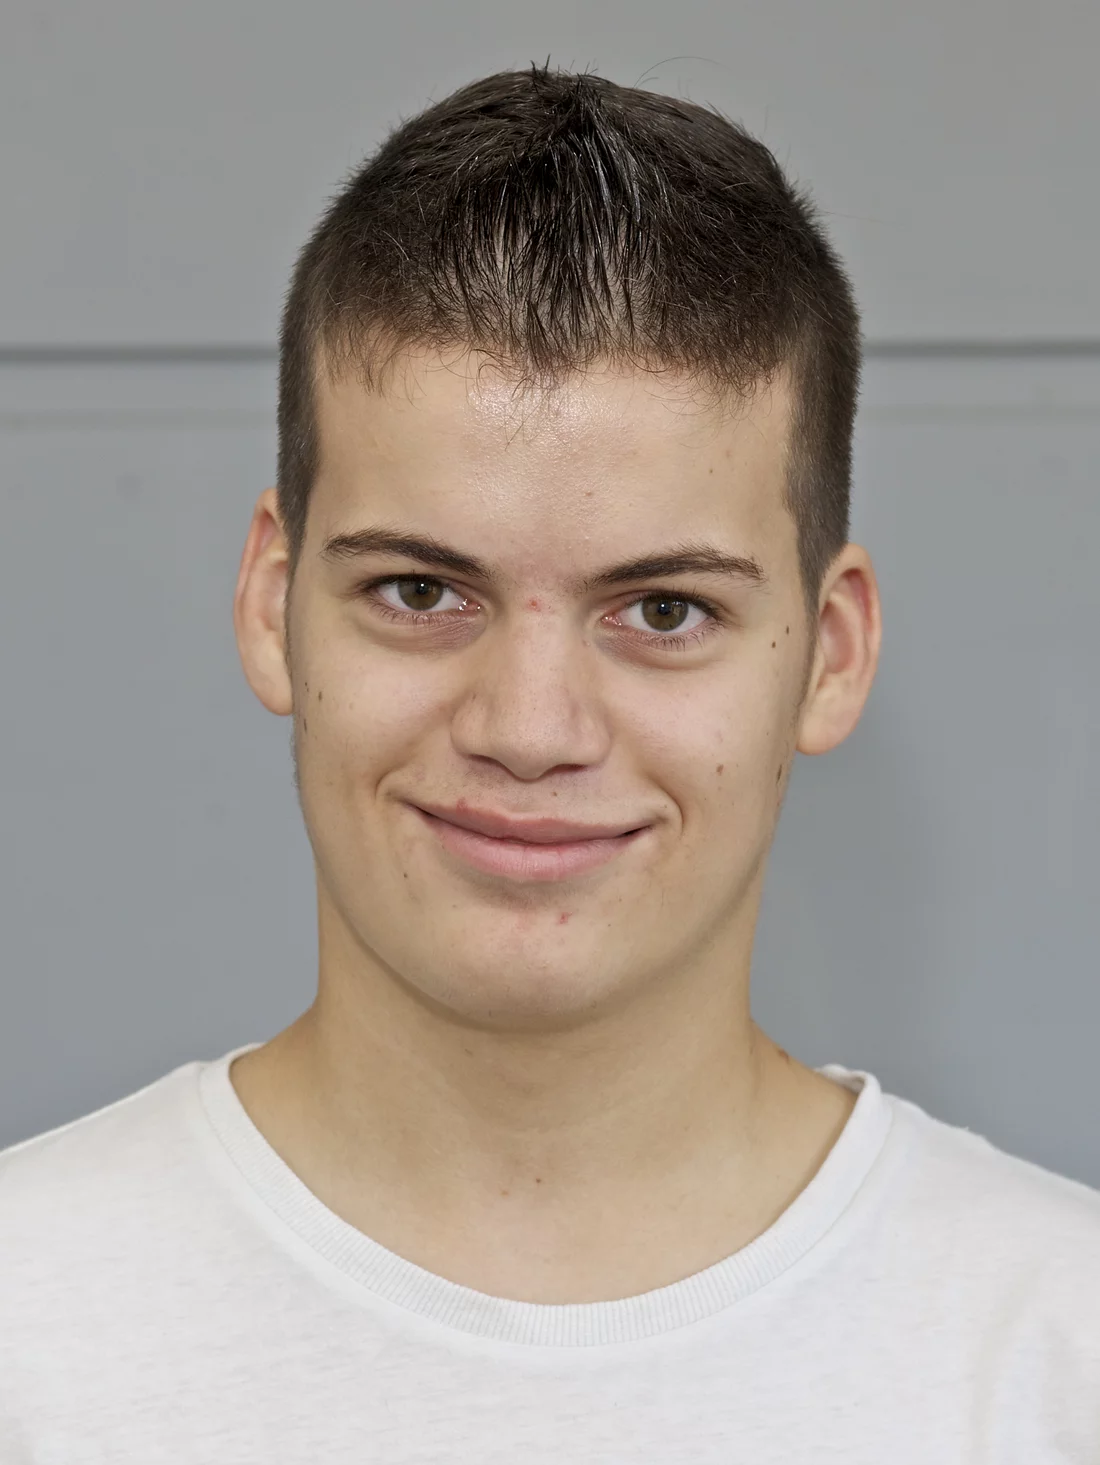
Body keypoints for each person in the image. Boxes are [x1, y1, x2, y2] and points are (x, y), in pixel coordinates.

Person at [2, 63, 1097, 1462]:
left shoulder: (1060, 1354)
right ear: (272, 606)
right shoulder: (27, 1332)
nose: (529, 729)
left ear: (829, 655)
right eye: (419, 591)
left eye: (664, 611)